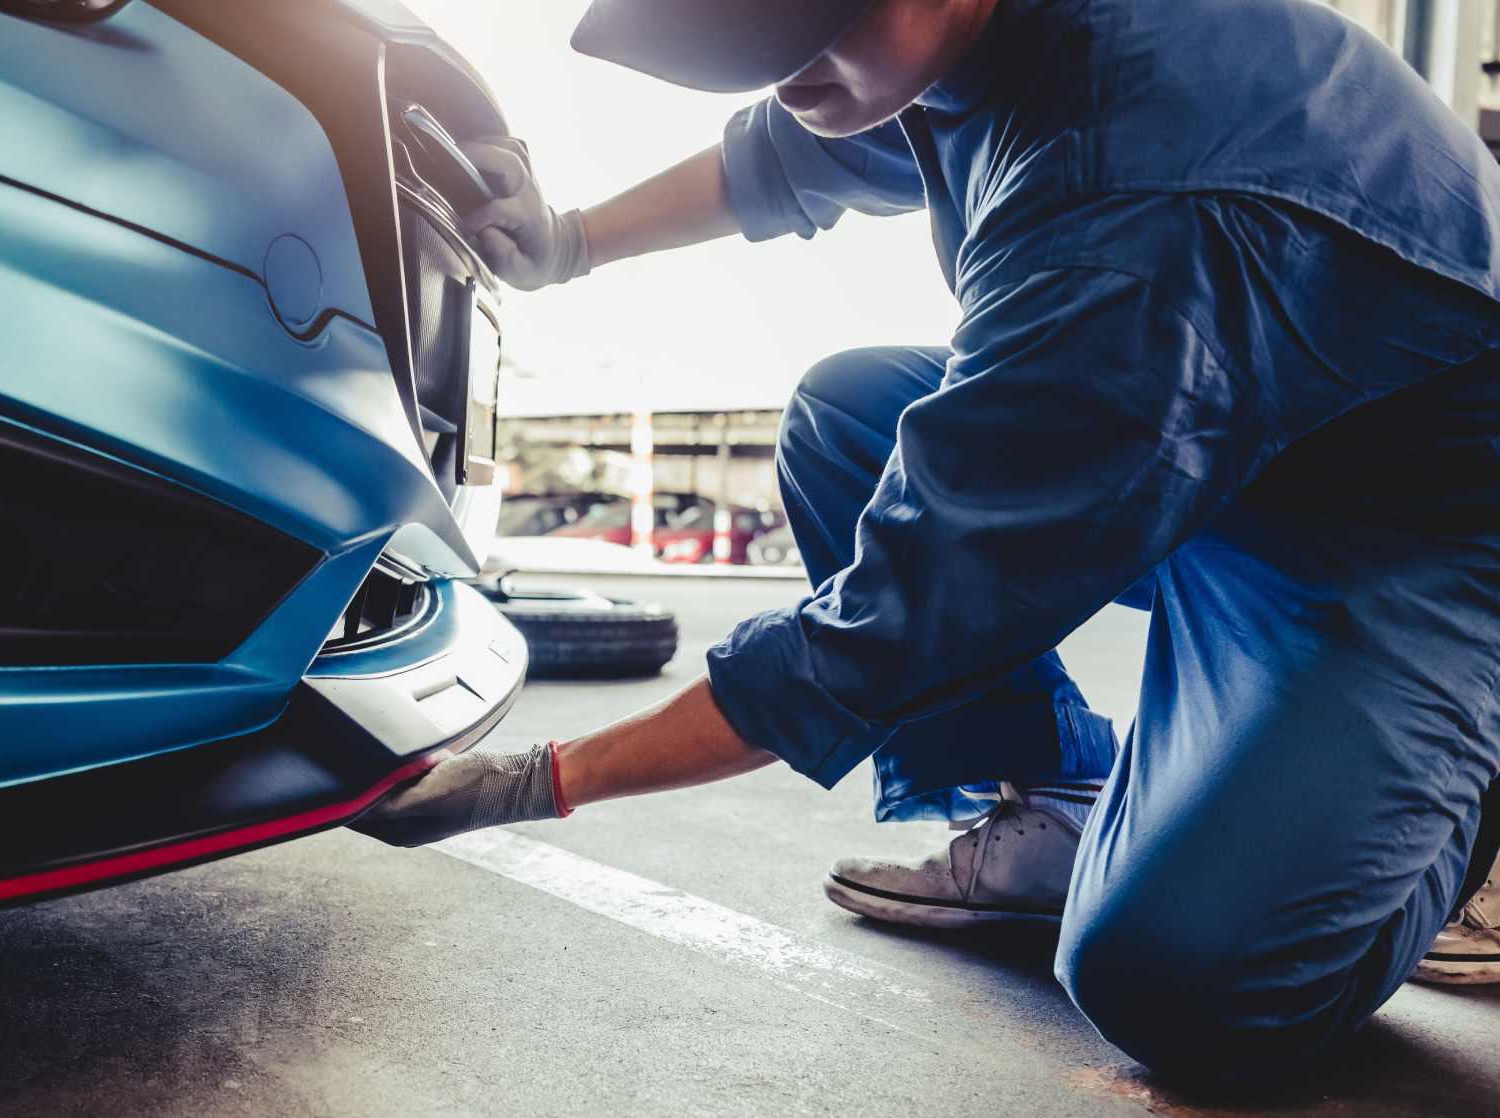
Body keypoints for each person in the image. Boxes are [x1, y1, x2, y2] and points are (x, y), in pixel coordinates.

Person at [353, 0, 1500, 1075]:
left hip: (1413, 540)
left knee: (1181, 984)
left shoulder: (1130, 186)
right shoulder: (959, 47)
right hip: (1233, 437)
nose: (789, 76)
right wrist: (567, 240)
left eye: (819, 35)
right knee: (850, 411)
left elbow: (888, 632)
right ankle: (1052, 805)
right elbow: (781, 157)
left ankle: (1459, 799)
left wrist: (535, 781)